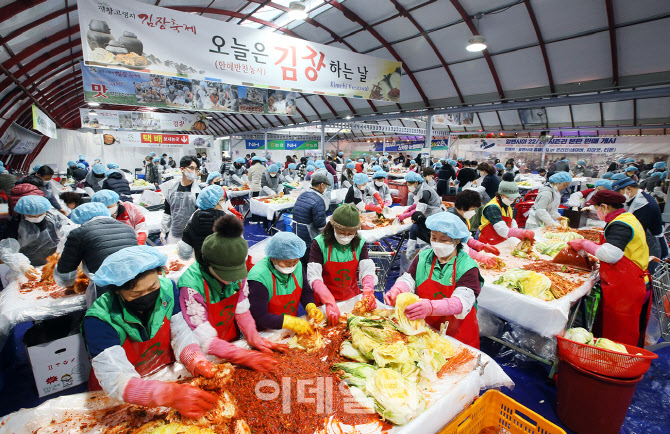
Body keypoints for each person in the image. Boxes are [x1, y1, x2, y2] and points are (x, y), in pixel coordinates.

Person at [82, 246, 219, 418]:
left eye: (153, 286)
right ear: (117, 290)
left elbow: (181, 333)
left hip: (161, 374)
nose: (146, 295)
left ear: (159, 273)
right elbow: (116, 380)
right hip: (119, 395)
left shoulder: (168, 290)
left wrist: (195, 359)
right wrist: (168, 395)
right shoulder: (100, 319)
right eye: (136, 293)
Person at [178, 217, 282, 369]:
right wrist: (241, 355)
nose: (233, 280)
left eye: (236, 273)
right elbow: (204, 338)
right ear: (208, 264)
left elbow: (242, 309)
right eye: (226, 274)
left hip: (229, 336)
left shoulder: (237, 276)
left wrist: (253, 336)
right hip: (203, 351)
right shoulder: (191, 286)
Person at [384, 212, 483, 348]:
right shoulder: (424, 257)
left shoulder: (467, 267)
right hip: (427, 330)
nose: (437, 243)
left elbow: (462, 301)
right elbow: (409, 279)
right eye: (434, 238)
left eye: (444, 240)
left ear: (457, 240)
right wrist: (398, 289)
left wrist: (431, 307)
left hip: (458, 336)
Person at [568, 191, 651, 346]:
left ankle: (613, 365)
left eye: (595, 207)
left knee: (619, 336)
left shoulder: (621, 224)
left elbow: (611, 255)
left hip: (628, 287)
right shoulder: (626, 217)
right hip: (625, 283)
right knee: (611, 330)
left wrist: (584, 244)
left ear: (604, 207)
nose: (594, 211)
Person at [54, 202, 138, 306]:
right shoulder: (127, 228)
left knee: (106, 318)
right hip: (136, 285)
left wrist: (67, 282)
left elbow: (65, 277)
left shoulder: (78, 234)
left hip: (105, 292)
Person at [307, 204, 377, 324]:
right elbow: (314, 277)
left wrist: (368, 290)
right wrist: (329, 302)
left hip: (351, 297)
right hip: (325, 299)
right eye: (341, 232)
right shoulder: (319, 243)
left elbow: (367, 270)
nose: (345, 236)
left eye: (350, 233)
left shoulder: (360, 243)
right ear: (333, 227)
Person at [248, 232, 323, 333]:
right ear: (273, 258)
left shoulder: (298, 265)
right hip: (266, 332)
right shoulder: (259, 278)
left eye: (295, 261)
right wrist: (289, 322)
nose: (292, 266)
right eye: (287, 263)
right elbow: (258, 315)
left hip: (291, 328)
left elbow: (305, 291)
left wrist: (311, 306)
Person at [0, 196, 70, 278]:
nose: (37, 218)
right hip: (27, 267)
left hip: (54, 263)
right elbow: (7, 249)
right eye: (32, 216)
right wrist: (22, 265)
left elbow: (69, 235)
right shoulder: (14, 223)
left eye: (40, 214)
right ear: (23, 212)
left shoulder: (54, 217)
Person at [612, 177, 667, 266]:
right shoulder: (636, 198)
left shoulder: (644, 205)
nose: (618, 196)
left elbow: (636, 229)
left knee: (646, 274)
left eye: (619, 192)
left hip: (650, 245)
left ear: (629, 189)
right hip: (644, 241)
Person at [179, 187, 242, 261]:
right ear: (215, 202)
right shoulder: (228, 220)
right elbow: (239, 247)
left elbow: (185, 251)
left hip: (202, 263)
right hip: (224, 265)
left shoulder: (194, 218)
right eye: (223, 200)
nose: (225, 202)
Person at [447, 190, 500, 267]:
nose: (474, 212)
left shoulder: (462, 217)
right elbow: (459, 247)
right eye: (472, 209)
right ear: (463, 207)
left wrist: (482, 246)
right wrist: (480, 257)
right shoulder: (451, 221)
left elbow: (466, 238)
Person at [478, 177, 534, 245]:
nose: (513, 200)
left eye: (514, 197)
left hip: (501, 242)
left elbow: (512, 222)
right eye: (510, 197)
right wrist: (522, 232)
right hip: (488, 244)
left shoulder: (507, 205)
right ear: (501, 194)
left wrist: (520, 236)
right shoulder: (492, 207)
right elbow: (502, 230)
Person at [160, 156, 201, 245]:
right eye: (191, 168)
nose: (194, 172)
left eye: (196, 169)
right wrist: (163, 230)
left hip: (192, 235)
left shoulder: (199, 191)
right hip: (174, 234)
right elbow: (167, 211)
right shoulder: (171, 188)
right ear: (182, 169)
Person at [291, 172, 330, 265]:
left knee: (301, 260)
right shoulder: (318, 200)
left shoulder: (303, 194)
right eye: (326, 185)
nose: (326, 188)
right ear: (321, 185)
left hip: (297, 231)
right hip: (308, 235)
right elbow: (319, 224)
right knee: (311, 261)